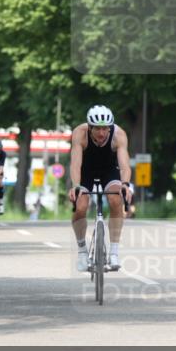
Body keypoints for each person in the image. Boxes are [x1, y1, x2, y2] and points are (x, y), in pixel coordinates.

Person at [67, 105, 133, 271]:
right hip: (86, 171)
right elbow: (75, 163)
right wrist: (75, 186)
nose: (102, 133)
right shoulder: (79, 133)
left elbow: (124, 165)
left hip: (109, 171)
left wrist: (125, 184)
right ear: (89, 127)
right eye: (97, 129)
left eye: (105, 128)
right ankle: (82, 251)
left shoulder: (119, 134)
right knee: (80, 205)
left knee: (116, 198)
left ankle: (114, 252)